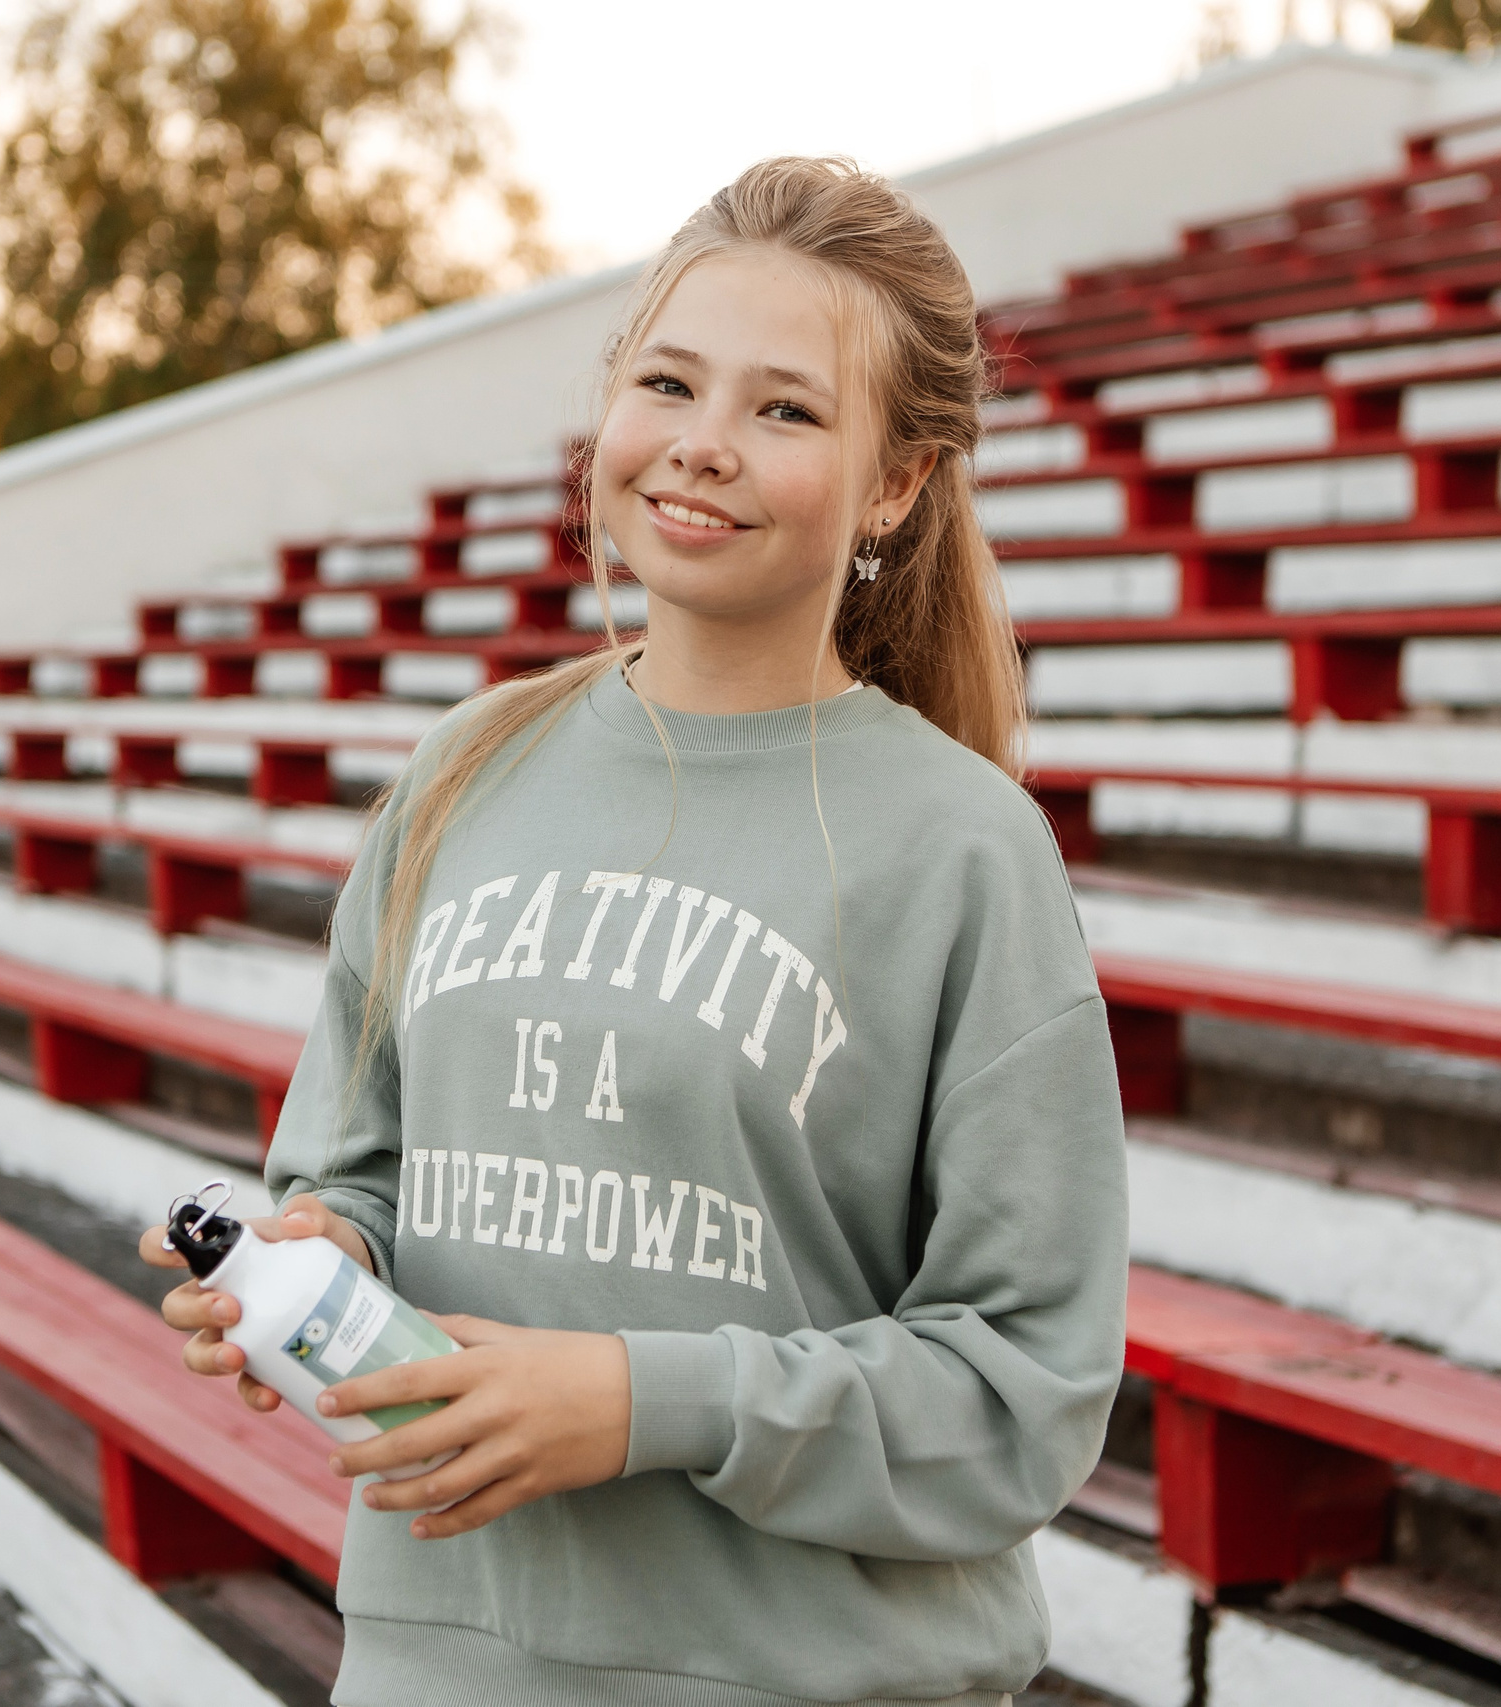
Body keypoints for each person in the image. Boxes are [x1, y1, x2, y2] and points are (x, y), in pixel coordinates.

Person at [144, 155, 1128, 1707]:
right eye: (668, 382)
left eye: (786, 409)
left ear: (896, 485)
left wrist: (640, 1401)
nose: (703, 443)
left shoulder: (964, 851)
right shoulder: (465, 773)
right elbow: (357, 1170)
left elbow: (1021, 1395)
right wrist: (320, 1254)